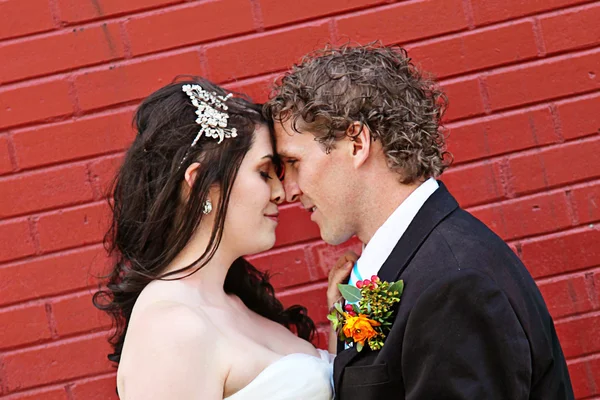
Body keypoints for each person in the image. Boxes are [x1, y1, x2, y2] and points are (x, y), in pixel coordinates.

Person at [264, 43, 574, 399]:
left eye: (294, 163)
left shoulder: (455, 285)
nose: (288, 191)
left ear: (357, 143)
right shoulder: (414, 263)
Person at [93, 77, 341, 399]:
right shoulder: (170, 326)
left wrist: (342, 316)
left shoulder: (235, 304)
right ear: (198, 183)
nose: (280, 193)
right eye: (264, 173)